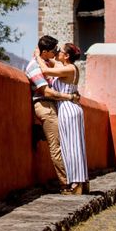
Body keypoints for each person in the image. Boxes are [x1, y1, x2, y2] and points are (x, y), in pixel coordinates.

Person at [25, 35, 80, 193]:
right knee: (56, 147)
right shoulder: (34, 66)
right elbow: (46, 92)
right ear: (46, 51)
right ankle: (66, 185)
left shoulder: (46, 62)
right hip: (45, 106)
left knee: (63, 144)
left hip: (53, 106)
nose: (57, 52)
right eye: (54, 49)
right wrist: (69, 97)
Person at [36, 43, 88, 195]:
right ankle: (82, 182)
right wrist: (45, 54)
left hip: (66, 108)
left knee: (70, 147)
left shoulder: (68, 69)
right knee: (77, 145)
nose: (57, 52)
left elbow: (45, 70)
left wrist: (39, 56)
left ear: (67, 56)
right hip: (73, 107)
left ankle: (76, 184)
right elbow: (53, 63)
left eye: (60, 51)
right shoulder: (71, 68)